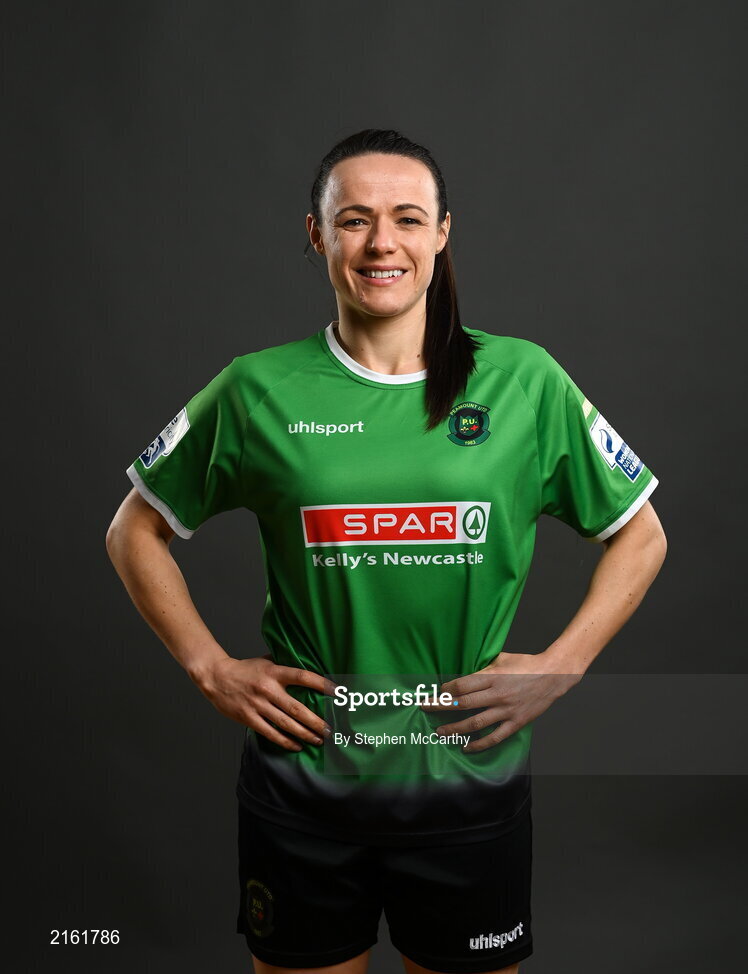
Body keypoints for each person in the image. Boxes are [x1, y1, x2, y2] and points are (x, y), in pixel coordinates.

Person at [106, 128, 667, 974]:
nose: (381, 243)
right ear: (316, 235)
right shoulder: (258, 389)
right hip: (304, 787)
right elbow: (133, 530)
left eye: (407, 218)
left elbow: (642, 534)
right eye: (354, 219)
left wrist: (562, 665)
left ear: (442, 233)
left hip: (466, 785)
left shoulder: (524, 380)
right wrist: (209, 667)